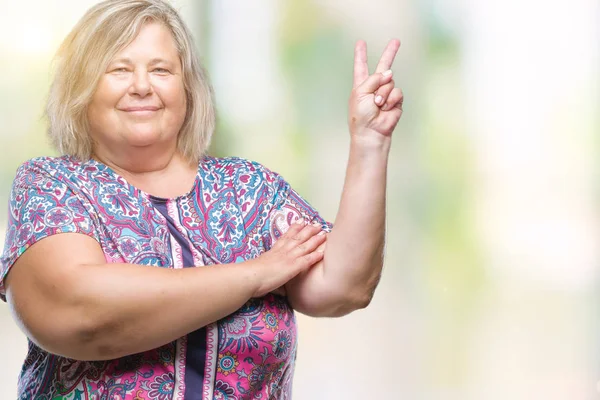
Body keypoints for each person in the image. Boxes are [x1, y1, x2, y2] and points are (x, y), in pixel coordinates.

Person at [0, 0, 403, 398]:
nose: (142, 86)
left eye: (161, 70)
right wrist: (254, 275)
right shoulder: (52, 185)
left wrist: (369, 143)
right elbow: (78, 311)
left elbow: (344, 286)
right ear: (81, 89)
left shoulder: (249, 189)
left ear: (188, 88)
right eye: (119, 69)